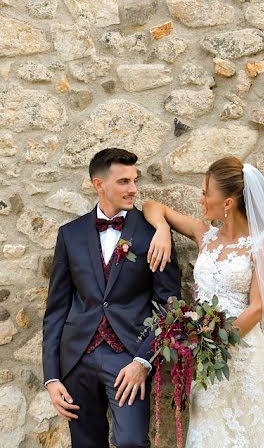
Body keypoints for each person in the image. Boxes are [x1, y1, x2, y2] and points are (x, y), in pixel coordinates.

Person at [142, 155, 264, 448]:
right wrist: (161, 229)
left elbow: (258, 307)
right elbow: (151, 206)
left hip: (242, 355)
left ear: (228, 203)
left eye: (206, 193)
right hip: (206, 361)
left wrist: (212, 343)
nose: (201, 200)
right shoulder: (204, 235)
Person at [42, 148, 182, 448]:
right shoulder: (70, 234)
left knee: (131, 441)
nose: (133, 189)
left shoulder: (153, 235)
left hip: (128, 357)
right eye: (123, 181)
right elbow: (56, 309)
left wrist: (144, 360)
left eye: (134, 180)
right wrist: (52, 378)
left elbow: (169, 306)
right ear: (98, 185)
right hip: (77, 359)